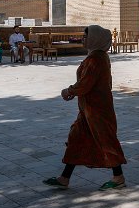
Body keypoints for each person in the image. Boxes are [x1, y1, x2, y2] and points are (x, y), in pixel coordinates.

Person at [44, 25, 127, 191]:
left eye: (86, 36)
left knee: (106, 140)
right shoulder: (97, 56)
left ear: (95, 39)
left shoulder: (96, 59)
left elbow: (85, 84)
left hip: (97, 109)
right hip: (88, 109)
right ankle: (64, 178)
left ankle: (118, 177)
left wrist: (69, 91)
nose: (83, 38)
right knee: (77, 139)